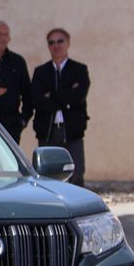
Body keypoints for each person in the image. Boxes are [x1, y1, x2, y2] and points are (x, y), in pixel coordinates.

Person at [28, 28, 91, 187]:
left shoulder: (79, 70)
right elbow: (38, 101)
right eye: (52, 42)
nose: (56, 45)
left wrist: (52, 95)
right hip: (48, 132)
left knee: (76, 174)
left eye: (60, 41)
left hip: (72, 131)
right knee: (46, 176)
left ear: (68, 43)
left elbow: (78, 96)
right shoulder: (41, 72)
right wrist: (67, 94)